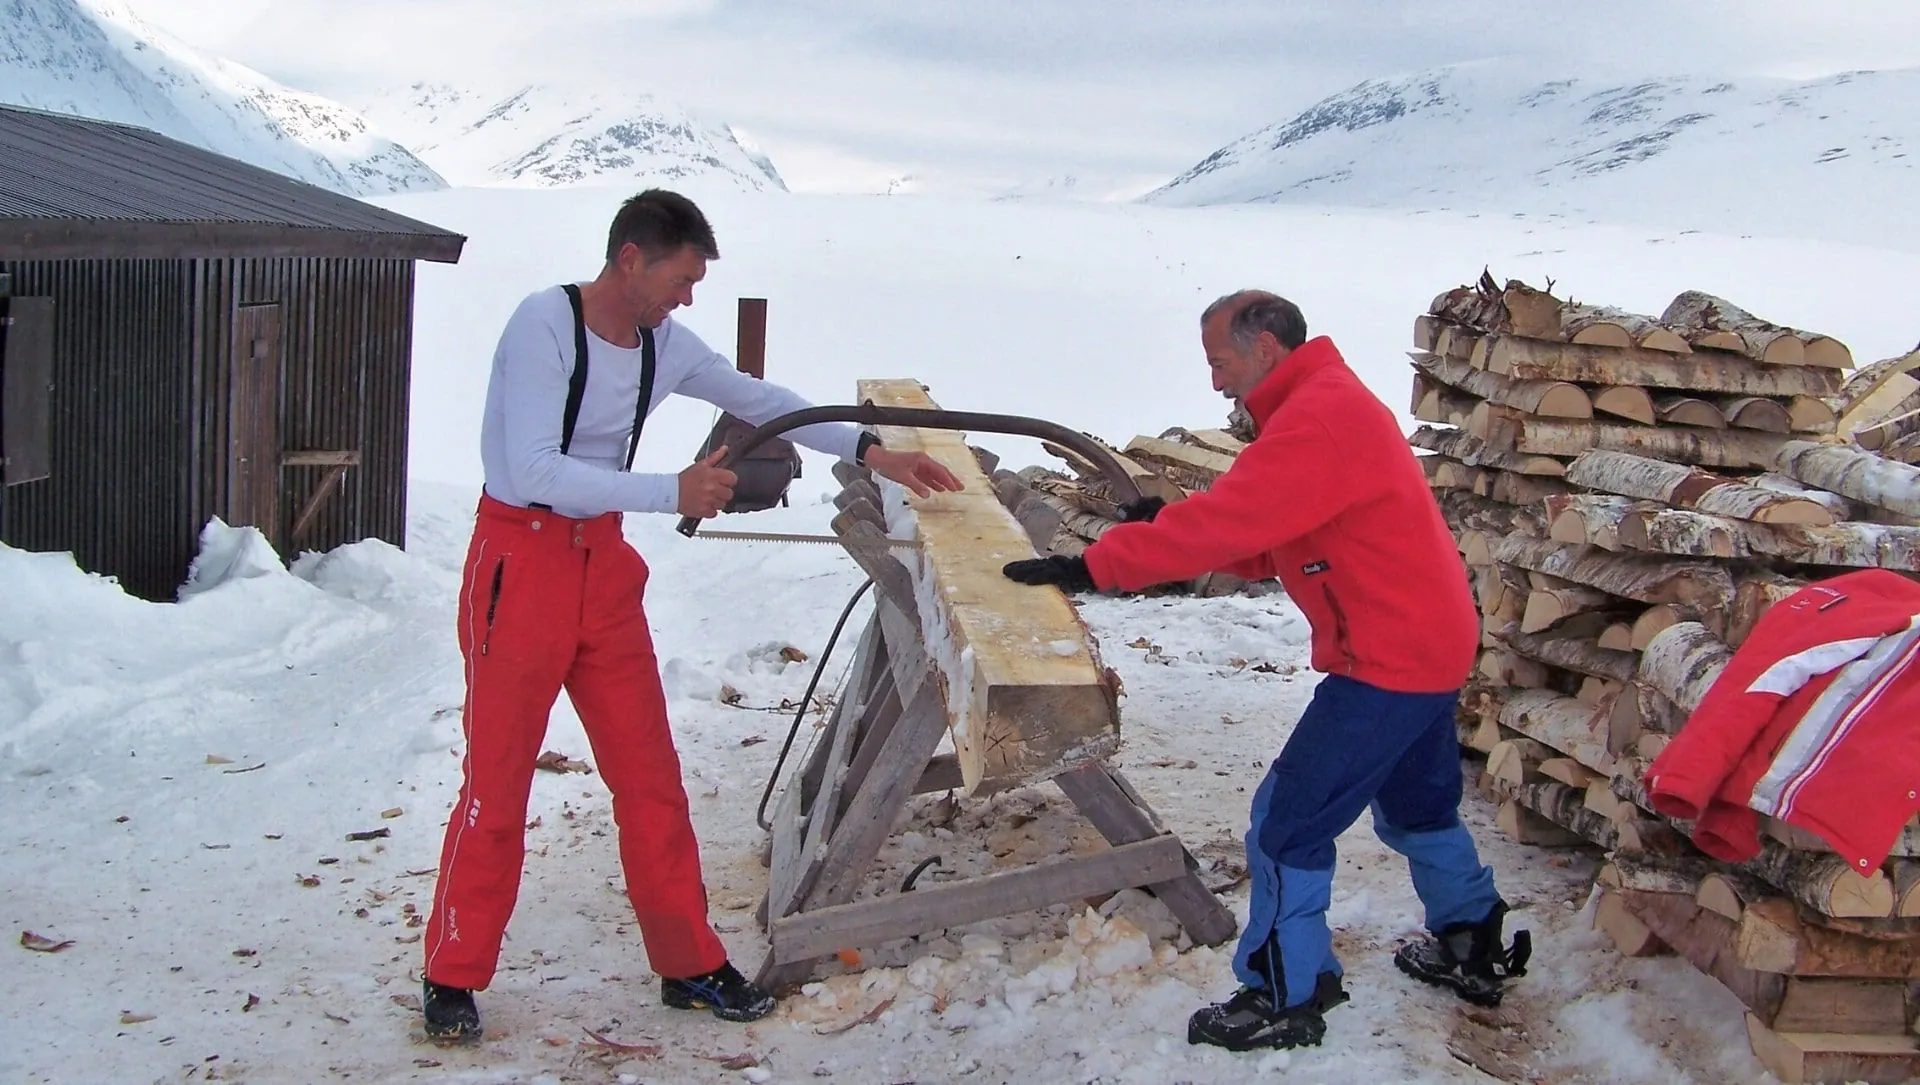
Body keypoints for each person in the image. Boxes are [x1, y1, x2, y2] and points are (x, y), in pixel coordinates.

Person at [420, 189, 963, 1042]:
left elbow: (760, 398)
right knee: (497, 783)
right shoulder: (544, 325)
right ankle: (452, 972)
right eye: (680, 278)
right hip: (518, 563)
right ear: (630, 259)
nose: (688, 297)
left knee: (651, 778)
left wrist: (870, 448)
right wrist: (667, 491)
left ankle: (688, 961)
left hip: (602, 570)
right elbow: (532, 469)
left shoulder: (661, 344)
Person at [1003, 290, 1527, 1052]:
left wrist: (1095, 566)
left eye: (1220, 361)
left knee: (1286, 824)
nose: (1216, 381)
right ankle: (1472, 939)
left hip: (1389, 657)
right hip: (1425, 643)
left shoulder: (1319, 419)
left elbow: (1229, 521)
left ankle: (1287, 989)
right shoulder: (1319, 405)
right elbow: (1271, 530)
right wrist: (1159, 531)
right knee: (1417, 807)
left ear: (1266, 349)